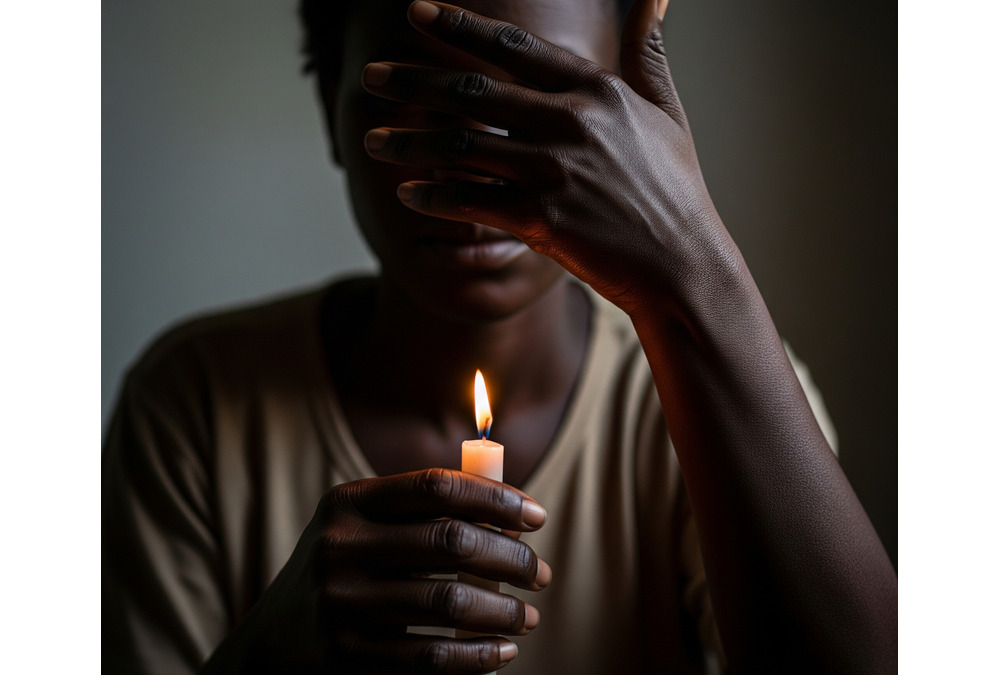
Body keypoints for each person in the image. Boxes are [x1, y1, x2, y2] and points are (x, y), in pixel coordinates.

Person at [102, 0, 898, 673]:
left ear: (628, 137)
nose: (474, 160)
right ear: (329, 114)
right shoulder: (194, 407)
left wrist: (694, 264)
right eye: (415, 91)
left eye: (538, 101)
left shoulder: (716, 395)